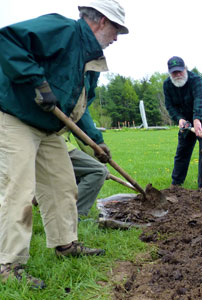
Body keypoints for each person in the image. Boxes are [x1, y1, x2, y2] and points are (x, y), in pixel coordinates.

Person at [0, 0, 129, 289]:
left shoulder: (90, 61)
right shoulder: (62, 30)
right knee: (18, 189)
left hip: (48, 129)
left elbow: (78, 107)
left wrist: (96, 141)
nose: (117, 37)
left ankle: (65, 244)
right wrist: (37, 82)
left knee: (62, 185)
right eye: (116, 29)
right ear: (100, 22)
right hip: (16, 118)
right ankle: (8, 264)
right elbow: (6, 39)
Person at [163, 56, 202, 189]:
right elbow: (170, 106)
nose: (177, 75)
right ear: (169, 73)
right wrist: (179, 119)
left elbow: (201, 98)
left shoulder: (196, 80)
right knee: (182, 150)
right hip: (187, 122)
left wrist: (198, 118)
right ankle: (176, 184)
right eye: (174, 72)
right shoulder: (167, 85)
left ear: (185, 69)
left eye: (180, 71)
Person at [64, 132, 109, 218]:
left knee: (76, 174)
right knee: (99, 171)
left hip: (39, 143)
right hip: (56, 145)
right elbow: (83, 133)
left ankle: (52, 205)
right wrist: (99, 163)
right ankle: (71, 213)